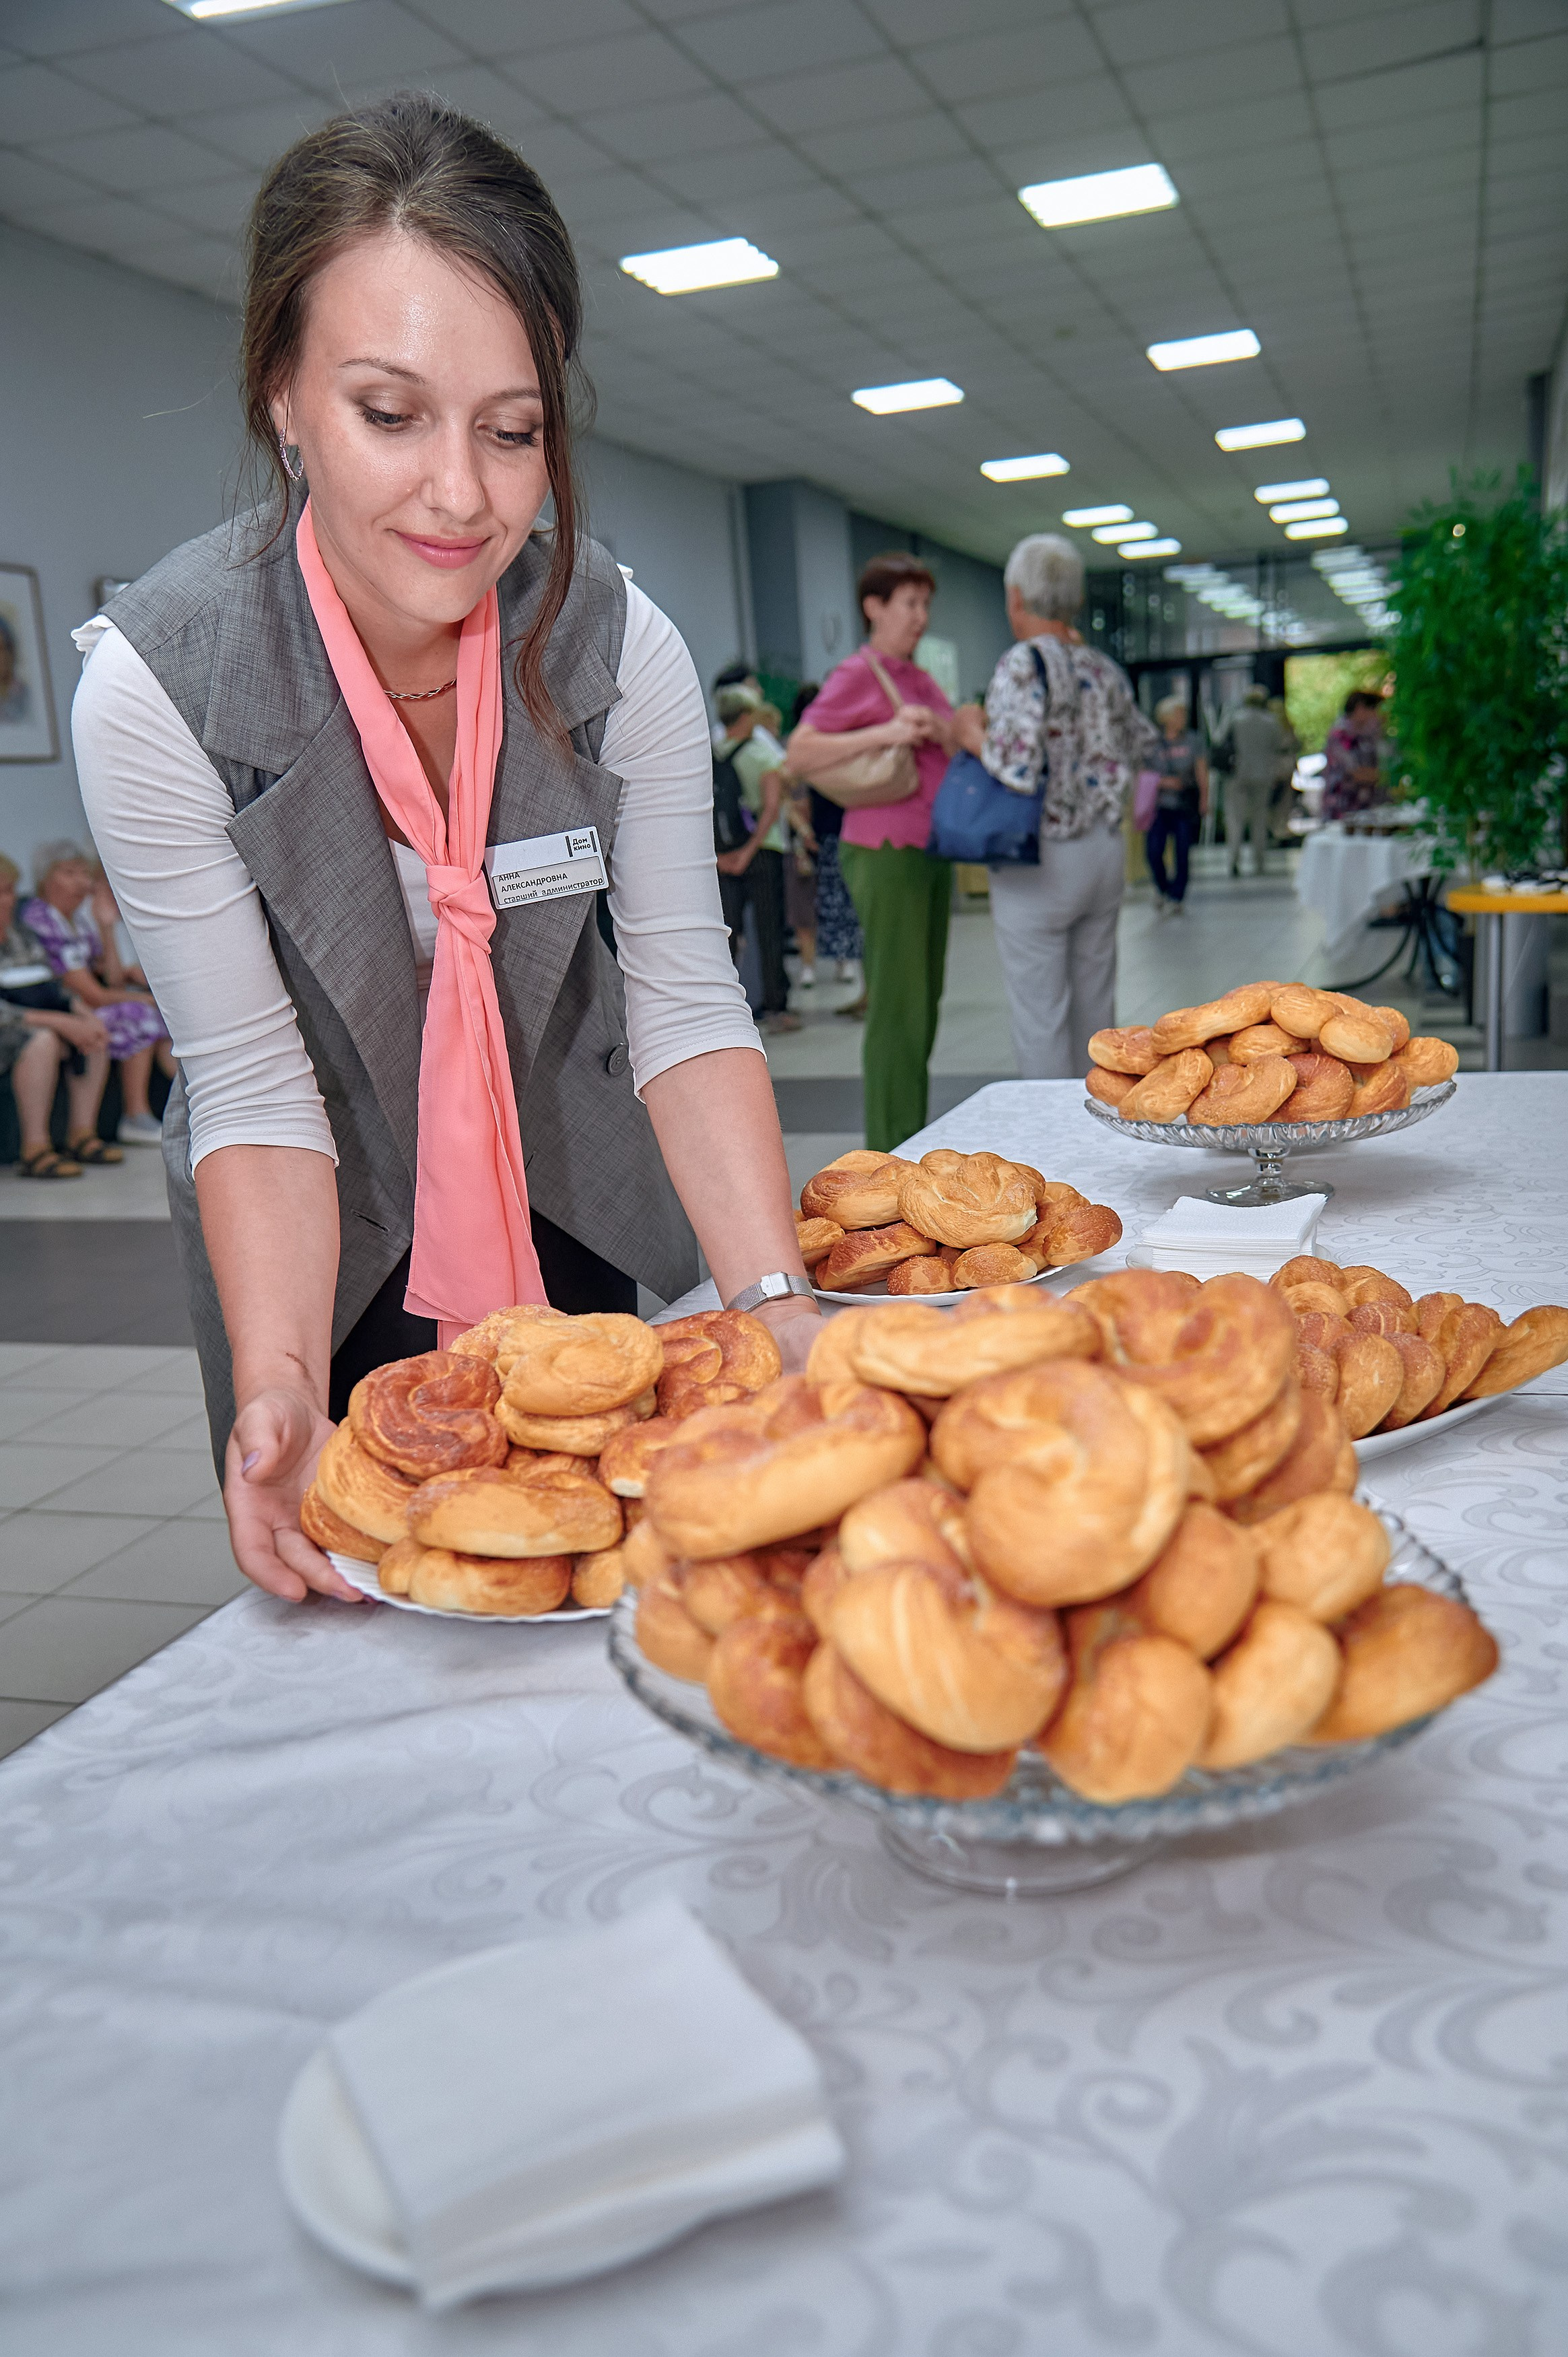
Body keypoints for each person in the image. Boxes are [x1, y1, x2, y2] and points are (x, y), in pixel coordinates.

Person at [71, 94, 818, 1609]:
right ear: (282, 394)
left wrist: (774, 1299)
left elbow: (681, 1000)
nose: (463, 495)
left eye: (512, 429)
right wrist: (281, 1380)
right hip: (316, 1232)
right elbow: (254, 1082)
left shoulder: (615, 648)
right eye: (389, 413)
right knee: (377, 1588)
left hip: (566, 1178)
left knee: (602, 1571)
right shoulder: (161, 685)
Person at [953, 533, 1157, 1080]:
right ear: (1075, 600)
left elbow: (1016, 761)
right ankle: (1099, 1112)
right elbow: (1141, 743)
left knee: (1039, 1015)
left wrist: (970, 733)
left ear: (1016, 597)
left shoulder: (1022, 662)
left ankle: (1050, 1129)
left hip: (1042, 855)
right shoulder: (1102, 666)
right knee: (1095, 1008)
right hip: (1104, 851)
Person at [786, 553, 959, 1148]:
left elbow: (953, 742)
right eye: (909, 603)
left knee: (923, 1002)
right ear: (874, 607)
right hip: (886, 850)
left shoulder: (917, 676)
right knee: (898, 1005)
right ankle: (892, 1147)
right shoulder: (859, 674)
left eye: (925, 604)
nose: (920, 616)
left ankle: (909, 1134)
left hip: (928, 851)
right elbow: (800, 751)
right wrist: (888, 731)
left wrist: (942, 728)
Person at [21, 841, 175, 1160]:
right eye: (69, 873)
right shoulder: (40, 918)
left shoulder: (77, 921)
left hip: (84, 1008)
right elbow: (92, 994)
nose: (82, 882)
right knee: (141, 1013)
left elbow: (113, 979)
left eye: (84, 873)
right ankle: (135, 1115)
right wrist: (149, 999)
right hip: (57, 1010)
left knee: (160, 1015)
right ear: (45, 879)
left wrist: (106, 927)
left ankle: (191, 1105)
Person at [0, 853, 115, 1179]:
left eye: (11, 890)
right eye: (2, 892)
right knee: (43, 1041)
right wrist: (60, 1022)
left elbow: (52, 984)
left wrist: (80, 1013)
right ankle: (35, 1149)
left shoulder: (20, 934)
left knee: (94, 1030)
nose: (10, 900)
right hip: (13, 1026)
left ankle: (82, 1134)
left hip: (28, 1017)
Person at [712, 684, 799, 1034]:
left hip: (723, 856)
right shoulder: (763, 755)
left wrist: (721, 857)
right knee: (769, 931)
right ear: (747, 716)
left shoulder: (711, 754)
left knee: (727, 934)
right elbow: (772, 807)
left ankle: (724, 1011)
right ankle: (776, 1007)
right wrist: (749, 851)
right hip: (763, 852)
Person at [1211, 686, 1288, 875]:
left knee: (1235, 819)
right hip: (1263, 775)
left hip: (1237, 774)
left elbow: (1218, 739)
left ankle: (1233, 860)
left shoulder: (1235, 718)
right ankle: (1259, 862)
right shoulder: (1271, 722)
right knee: (1259, 819)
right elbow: (1279, 746)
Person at [1145, 693, 1206, 915]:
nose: (1182, 718)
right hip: (1158, 805)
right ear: (1166, 717)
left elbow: (1201, 771)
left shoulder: (1193, 741)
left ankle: (1177, 895)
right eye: (1178, 714)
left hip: (1184, 804)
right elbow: (1141, 772)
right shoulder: (1151, 743)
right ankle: (1162, 887)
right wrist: (1163, 782)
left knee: (1182, 851)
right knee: (1154, 851)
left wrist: (1204, 798)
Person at [1322, 689, 1386, 821]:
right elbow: (1355, 774)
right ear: (1360, 708)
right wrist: (1388, 777)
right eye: (1374, 710)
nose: (1377, 716)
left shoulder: (1366, 737)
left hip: (1363, 812)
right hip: (1341, 813)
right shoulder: (1340, 737)